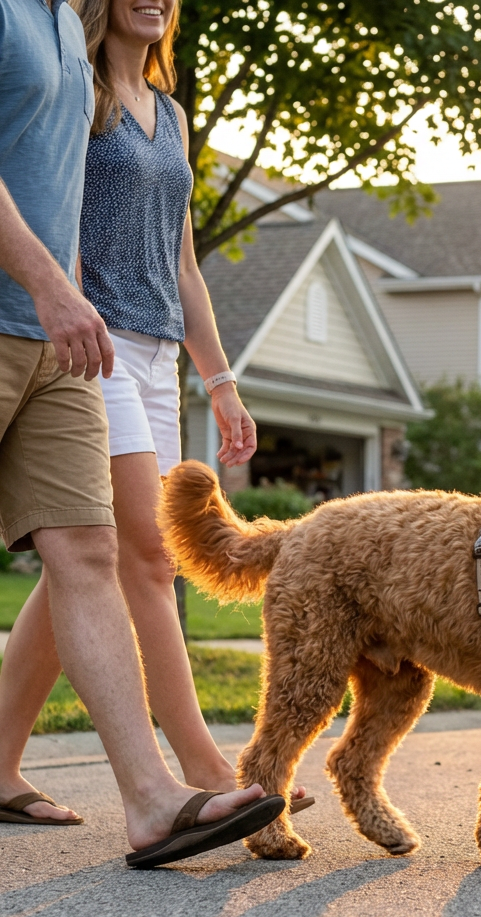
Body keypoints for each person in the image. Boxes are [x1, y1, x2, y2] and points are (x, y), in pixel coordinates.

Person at [0, 0, 284, 866]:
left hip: (114, 343)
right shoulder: (55, 62)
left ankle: (125, 791)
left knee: (87, 555)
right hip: (82, 331)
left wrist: (220, 378)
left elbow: (180, 257)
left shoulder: (148, 98)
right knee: (140, 556)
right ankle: (206, 764)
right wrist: (59, 291)